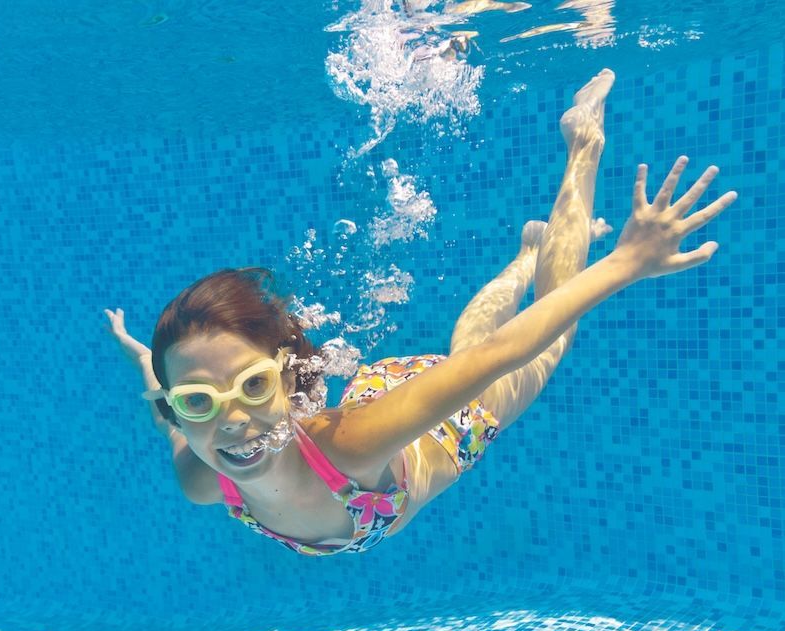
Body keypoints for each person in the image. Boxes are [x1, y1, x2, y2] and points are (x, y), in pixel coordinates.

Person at [105, 69, 737, 556]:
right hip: (383, 392)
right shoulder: (202, 476)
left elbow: (504, 352)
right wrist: (144, 363)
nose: (233, 422)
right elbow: (170, 421)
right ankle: (524, 258)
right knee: (466, 350)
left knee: (549, 339)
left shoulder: (351, 447)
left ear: (286, 375)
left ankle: (583, 145)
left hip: (429, 428)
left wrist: (625, 263)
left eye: (251, 386)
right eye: (198, 401)